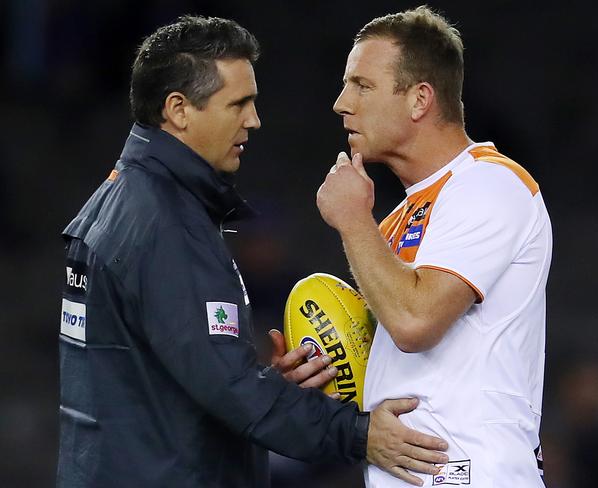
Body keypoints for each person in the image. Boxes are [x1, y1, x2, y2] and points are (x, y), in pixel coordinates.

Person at [57, 15, 449, 488]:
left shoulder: (118, 199)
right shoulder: (166, 223)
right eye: (238, 103)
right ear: (180, 110)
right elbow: (230, 390)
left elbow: (169, 377)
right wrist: (360, 434)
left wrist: (261, 385)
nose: (254, 120)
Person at [317, 6, 552, 488]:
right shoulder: (401, 218)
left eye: (362, 86)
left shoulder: (490, 184)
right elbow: (396, 364)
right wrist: (321, 372)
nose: (342, 103)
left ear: (420, 99)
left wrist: (353, 219)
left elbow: (414, 322)